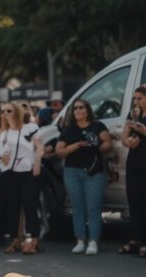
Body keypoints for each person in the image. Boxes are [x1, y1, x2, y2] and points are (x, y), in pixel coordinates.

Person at [56, 99, 112, 255]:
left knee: (93, 208)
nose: (78, 111)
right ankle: (80, 240)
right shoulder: (68, 130)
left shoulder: (97, 126)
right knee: (77, 207)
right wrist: (76, 146)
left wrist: (97, 148)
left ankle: (93, 241)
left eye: (81, 108)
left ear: (87, 109)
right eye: (75, 109)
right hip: (72, 172)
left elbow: (108, 143)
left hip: (93, 172)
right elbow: (59, 151)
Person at [0, 102, 44, 254]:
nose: (6, 114)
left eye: (9, 110)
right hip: (9, 173)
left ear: (16, 112)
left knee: (30, 206)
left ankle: (33, 240)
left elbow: (40, 147)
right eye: (3, 111)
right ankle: (15, 240)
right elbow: (1, 155)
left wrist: (37, 163)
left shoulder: (30, 128)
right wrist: (3, 158)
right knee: (12, 207)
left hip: (28, 172)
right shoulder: (4, 133)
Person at [119, 86, 146, 257]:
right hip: (135, 162)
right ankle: (135, 239)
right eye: (135, 98)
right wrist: (128, 141)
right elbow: (124, 135)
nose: (136, 102)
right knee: (135, 201)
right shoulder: (134, 114)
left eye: (140, 98)